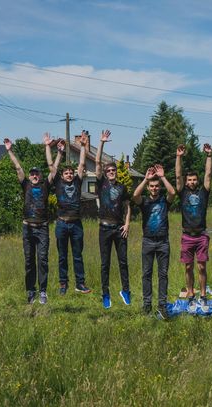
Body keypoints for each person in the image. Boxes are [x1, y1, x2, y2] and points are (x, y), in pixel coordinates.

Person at [5, 137, 57, 305]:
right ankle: (30, 290)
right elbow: (18, 167)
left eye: (37, 174)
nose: (34, 176)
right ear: (29, 176)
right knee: (29, 260)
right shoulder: (26, 184)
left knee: (42, 259)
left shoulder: (45, 185)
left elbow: (54, 171)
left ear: (40, 176)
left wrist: (57, 151)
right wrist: (9, 150)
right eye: (32, 174)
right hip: (27, 227)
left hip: (42, 228)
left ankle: (42, 291)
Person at [46, 131, 92, 296]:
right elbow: (52, 166)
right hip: (62, 224)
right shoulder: (57, 182)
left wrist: (83, 147)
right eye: (67, 173)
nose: (69, 175)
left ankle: (80, 284)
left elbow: (81, 164)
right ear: (63, 175)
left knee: (77, 255)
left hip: (76, 224)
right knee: (62, 256)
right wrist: (51, 149)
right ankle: (63, 284)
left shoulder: (78, 182)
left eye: (71, 173)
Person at [132, 164, 176, 319]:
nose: (155, 188)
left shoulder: (165, 201)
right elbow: (135, 195)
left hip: (163, 242)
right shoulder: (144, 201)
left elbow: (172, 192)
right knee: (146, 274)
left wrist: (162, 177)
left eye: (157, 186)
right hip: (148, 241)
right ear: (148, 188)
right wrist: (145, 179)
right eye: (152, 186)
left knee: (163, 274)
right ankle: (147, 305)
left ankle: (162, 305)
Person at [95, 129, 131, 309]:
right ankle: (105, 293)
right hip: (104, 229)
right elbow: (96, 162)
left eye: (113, 170)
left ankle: (126, 290)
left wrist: (127, 223)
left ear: (116, 172)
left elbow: (127, 206)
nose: (110, 172)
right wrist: (101, 143)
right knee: (105, 263)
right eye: (108, 170)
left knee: (123, 261)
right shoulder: (101, 184)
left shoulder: (123, 187)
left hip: (119, 229)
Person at [175, 143, 212, 312]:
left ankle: (203, 296)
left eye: (193, 179)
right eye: (189, 180)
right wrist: (179, 157)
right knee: (188, 267)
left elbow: (209, 174)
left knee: (202, 267)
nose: (191, 182)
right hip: (187, 236)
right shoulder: (183, 192)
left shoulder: (203, 192)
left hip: (201, 235)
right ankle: (190, 295)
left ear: (197, 181)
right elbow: (177, 176)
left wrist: (209, 156)